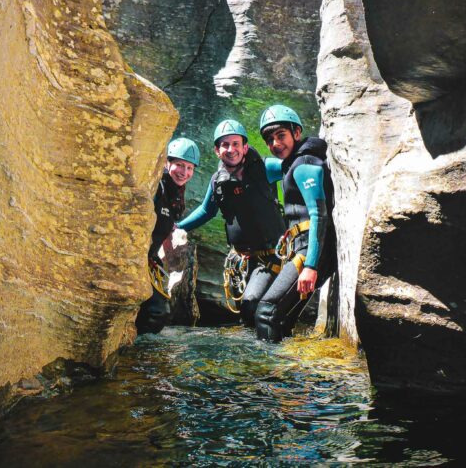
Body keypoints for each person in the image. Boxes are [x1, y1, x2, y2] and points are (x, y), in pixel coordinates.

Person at [177, 119, 286, 326]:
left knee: (251, 303)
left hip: (271, 256)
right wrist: (177, 228)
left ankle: (267, 353)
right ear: (217, 151)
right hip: (241, 260)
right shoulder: (218, 180)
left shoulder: (266, 168)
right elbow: (206, 211)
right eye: (225, 145)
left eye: (236, 144)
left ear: (245, 147)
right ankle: (254, 355)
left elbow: (295, 169)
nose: (231, 149)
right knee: (246, 315)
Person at [255, 104, 337, 342]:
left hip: (310, 252)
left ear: (297, 133)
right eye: (270, 139)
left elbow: (318, 215)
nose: (275, 144)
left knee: (266, 312)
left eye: (281, 136)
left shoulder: (304, 165)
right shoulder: (291, 165)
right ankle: (288, 372)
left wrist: (310, 266)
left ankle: (267, 372)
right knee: (282, 319)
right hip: (305, 250)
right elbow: (263, 166)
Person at [135, 137, 200, 334]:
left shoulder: (175, 193)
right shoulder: (157, 188)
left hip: (148, 259)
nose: (184, 172)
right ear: (167, 162)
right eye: (179, 165)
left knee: (159, 311)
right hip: (138, 258)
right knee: (156, 312)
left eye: (189, 168)